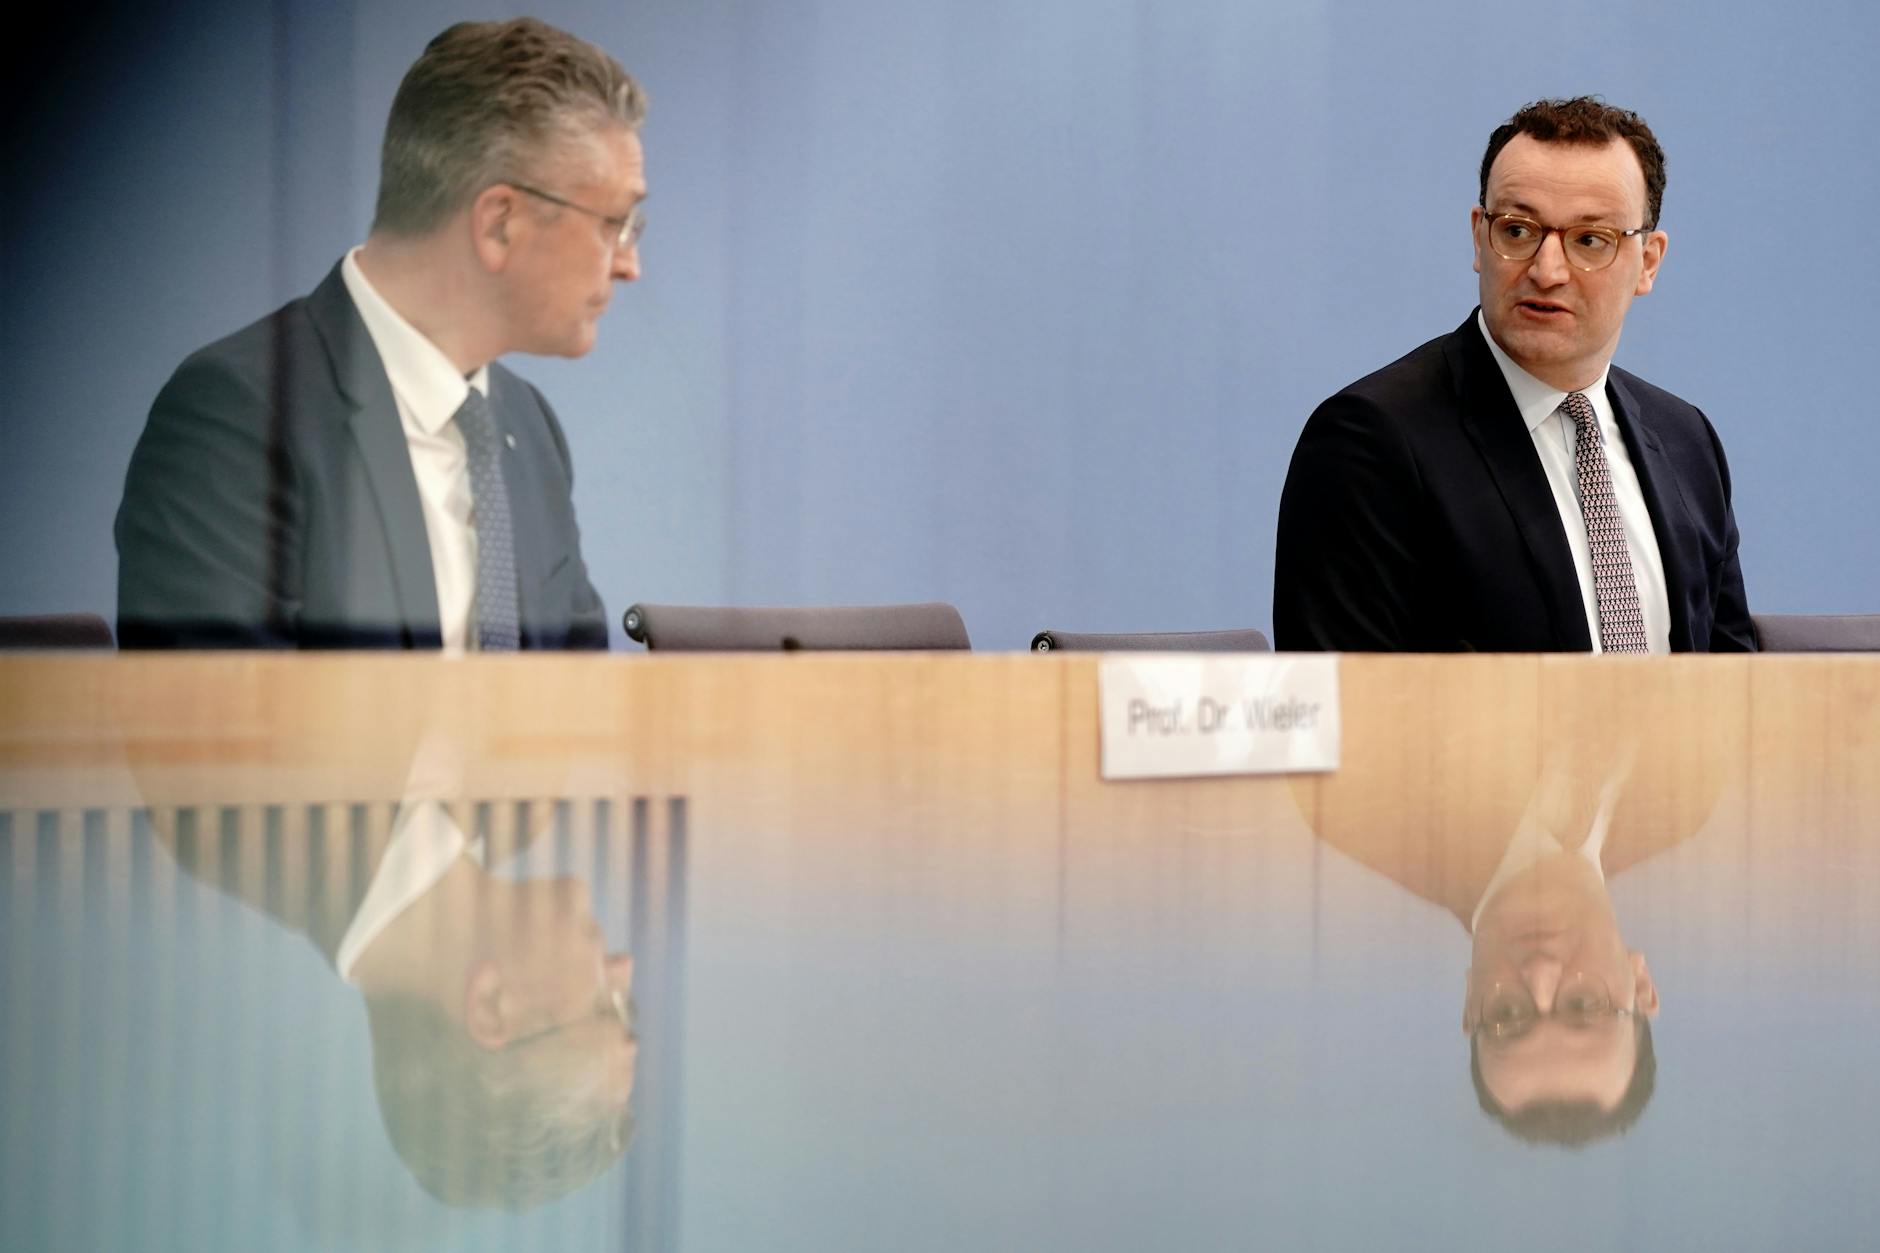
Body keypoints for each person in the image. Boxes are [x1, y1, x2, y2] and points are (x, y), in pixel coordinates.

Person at [116, 18, 646, 650]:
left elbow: (577, 709)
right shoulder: (240, 414)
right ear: (500, 223)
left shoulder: (531, 430)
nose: (627, 264)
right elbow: (216, 736)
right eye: (614, 224)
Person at [1274, 97, 1754, 653]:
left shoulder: (1686, 439)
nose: (1546, 271)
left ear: (1648, 262)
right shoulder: (1373, 440)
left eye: (1589, 240)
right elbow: (1347, 707)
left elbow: (1736, 681)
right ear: (1480, 237)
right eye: (1519, 231)